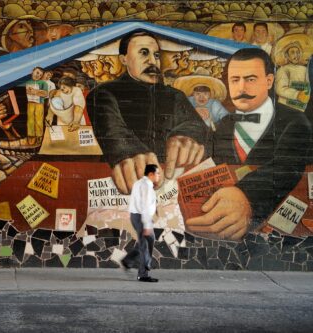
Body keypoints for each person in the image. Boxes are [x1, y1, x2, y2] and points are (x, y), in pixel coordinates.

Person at [193, 48, 313, 241]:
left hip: (276, 235)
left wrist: (246, 196)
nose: (241, 88)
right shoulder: (223, 125)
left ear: (269, 81)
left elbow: (287, 166)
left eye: (250, 79)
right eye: (235, 80)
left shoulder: (295, 121)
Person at [86, 30, 208, 195]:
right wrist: (129, 152)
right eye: (144, 53)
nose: (153, 61)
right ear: (124, 59)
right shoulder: (103, 93)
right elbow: (112, 129)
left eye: (156, 55)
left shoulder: (174, 95)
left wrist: (187, 135)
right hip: (125, 183)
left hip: (170, 185)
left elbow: (195, 124)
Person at [121, 164, 160, 283]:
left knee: (149, 239)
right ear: (151, 174)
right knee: (144, 244)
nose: (159, 176)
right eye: (157, 173)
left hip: (137, 216)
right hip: (141, 217)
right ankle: (143, 273)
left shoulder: (139, 183)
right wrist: (147, 224)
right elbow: (145, 206)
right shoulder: (146, 186)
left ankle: (128, 261)